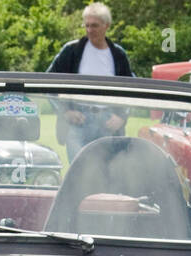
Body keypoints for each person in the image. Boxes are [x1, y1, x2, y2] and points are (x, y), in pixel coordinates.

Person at [46, 3, 134, 159]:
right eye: (86, 25)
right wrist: (65, 112)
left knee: (108, 174)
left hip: (108, 122)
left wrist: (121, 116)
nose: (89, 30)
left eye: (94, 26)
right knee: (78, 173)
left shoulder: (118, 55)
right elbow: (47, 82)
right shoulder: (71, 51)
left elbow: (132, 89)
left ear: (107, 26)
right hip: (78, 122)